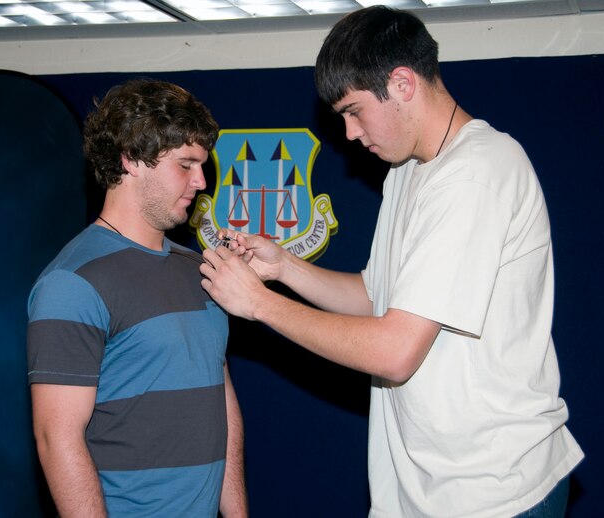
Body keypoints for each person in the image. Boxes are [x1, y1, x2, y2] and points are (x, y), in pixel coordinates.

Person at [199, 6, 583, 518]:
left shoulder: (477, 173)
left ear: (402, 83)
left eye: (354, 111)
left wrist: (259, 305)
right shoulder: (406, 171)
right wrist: (284, 268)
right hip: (428, 490)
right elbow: (375, 296)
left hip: (494, 491)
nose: (349, 133)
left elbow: (395, 351)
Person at [27, 79, 247, 517]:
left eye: (202, 165)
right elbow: (57, 438)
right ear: (131, 159)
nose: (201, 181)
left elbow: (220, 403)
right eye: (185, 165)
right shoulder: (71, 282)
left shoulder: (200, 269)